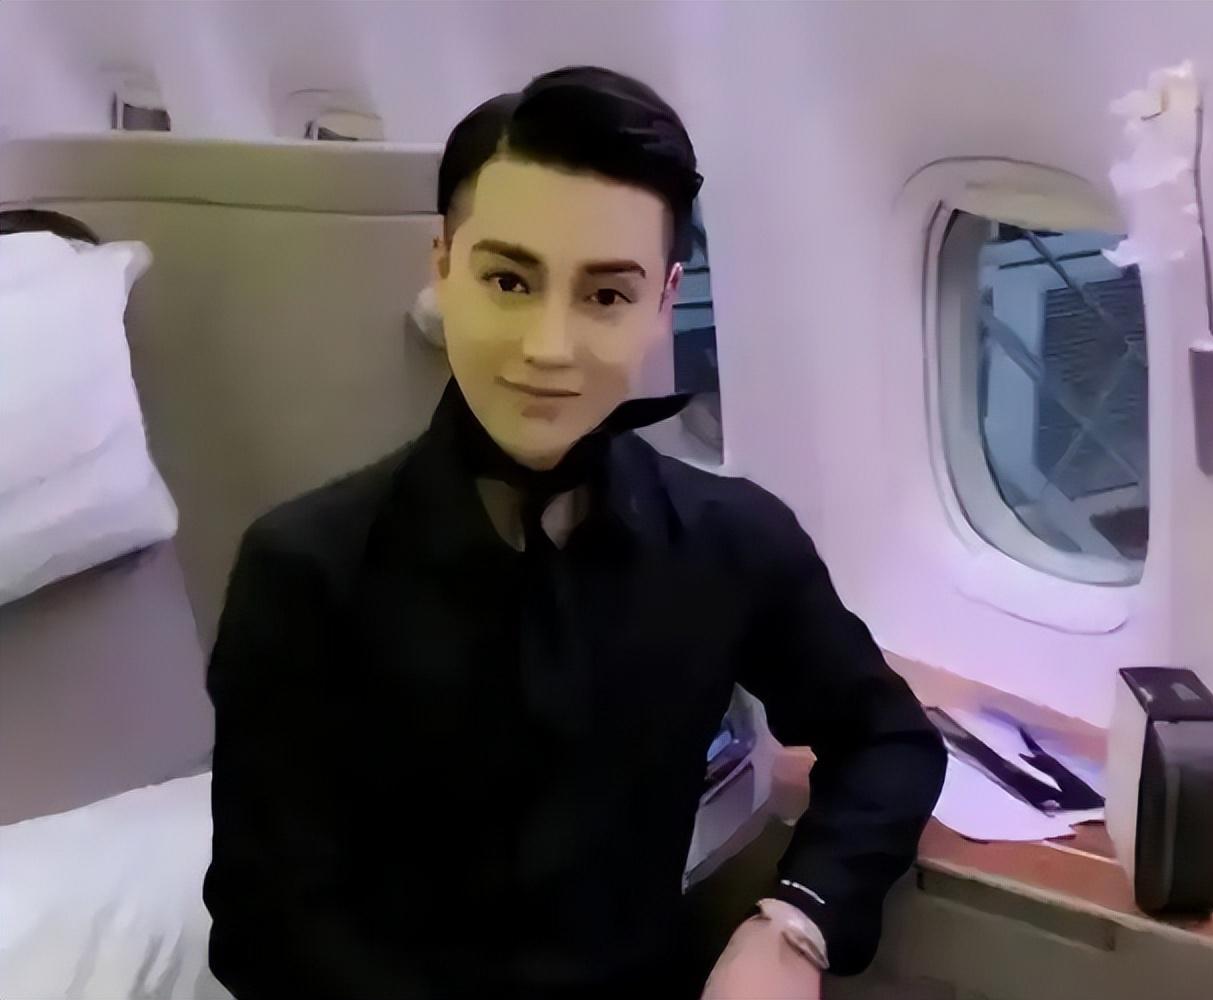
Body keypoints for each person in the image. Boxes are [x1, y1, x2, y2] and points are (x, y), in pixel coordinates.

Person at [203, 65, 946, 1000]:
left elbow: (889, 741)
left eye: (605, 296)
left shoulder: (731, 542)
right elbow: (267, 927)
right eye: (509, 280)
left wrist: (794, 925)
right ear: (442, 268)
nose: (548, 347)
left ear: (664, 302)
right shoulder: (305, 570)